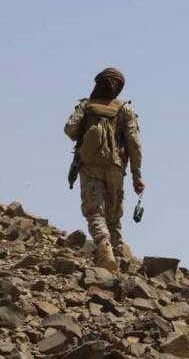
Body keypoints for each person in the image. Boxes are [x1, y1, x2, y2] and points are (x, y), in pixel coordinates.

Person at [64, 67, 145, 272]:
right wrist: (137, 176)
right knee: (114, 214)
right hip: (116, 167)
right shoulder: (125, 109)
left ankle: (104, 246)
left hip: (89, 165)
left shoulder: (86, 106)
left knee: (95, 211)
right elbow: (134, 144)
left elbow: (70, 129)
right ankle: (119, 258)